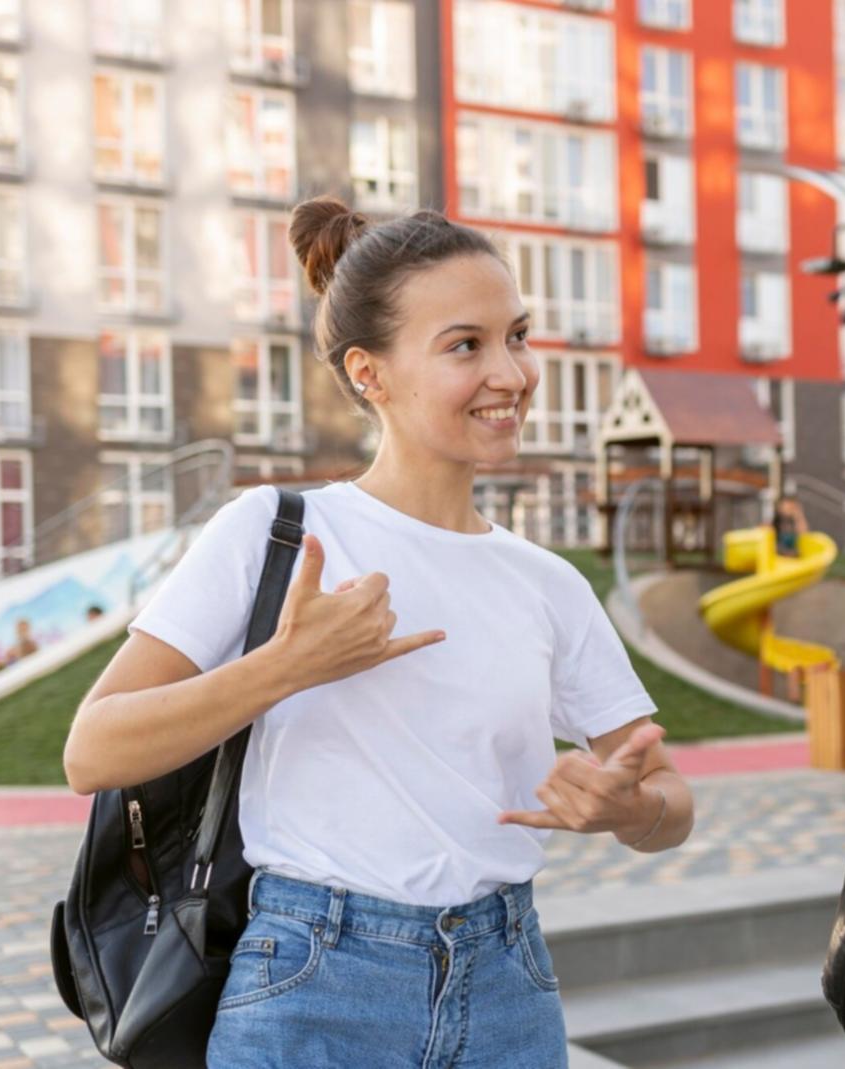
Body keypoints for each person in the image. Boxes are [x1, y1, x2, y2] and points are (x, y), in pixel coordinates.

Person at [62, 197, 693, 1069]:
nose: (511, 371)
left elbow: (669, 799)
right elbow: (93, 750)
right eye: (466, 345)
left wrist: (633, 809)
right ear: (370, 372)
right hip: (312, 983)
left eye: (518, 335)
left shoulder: (549, 583)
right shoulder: (275, 531)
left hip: (509, 988)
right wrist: (288, 665)